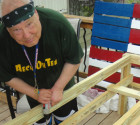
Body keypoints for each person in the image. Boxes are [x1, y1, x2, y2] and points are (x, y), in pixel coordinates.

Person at [0, 0, 84, 125]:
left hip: (64, 88)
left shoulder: (58, 23)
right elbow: (6, 76)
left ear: (36, 14)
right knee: (40, 121)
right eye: (17, 30)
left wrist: (59, 88)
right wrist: (35, 93)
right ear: (8, 30)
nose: (27, 35)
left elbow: (75, 59)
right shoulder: (2, 39)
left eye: (29, 24)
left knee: (67, 119)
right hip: (32, 92)